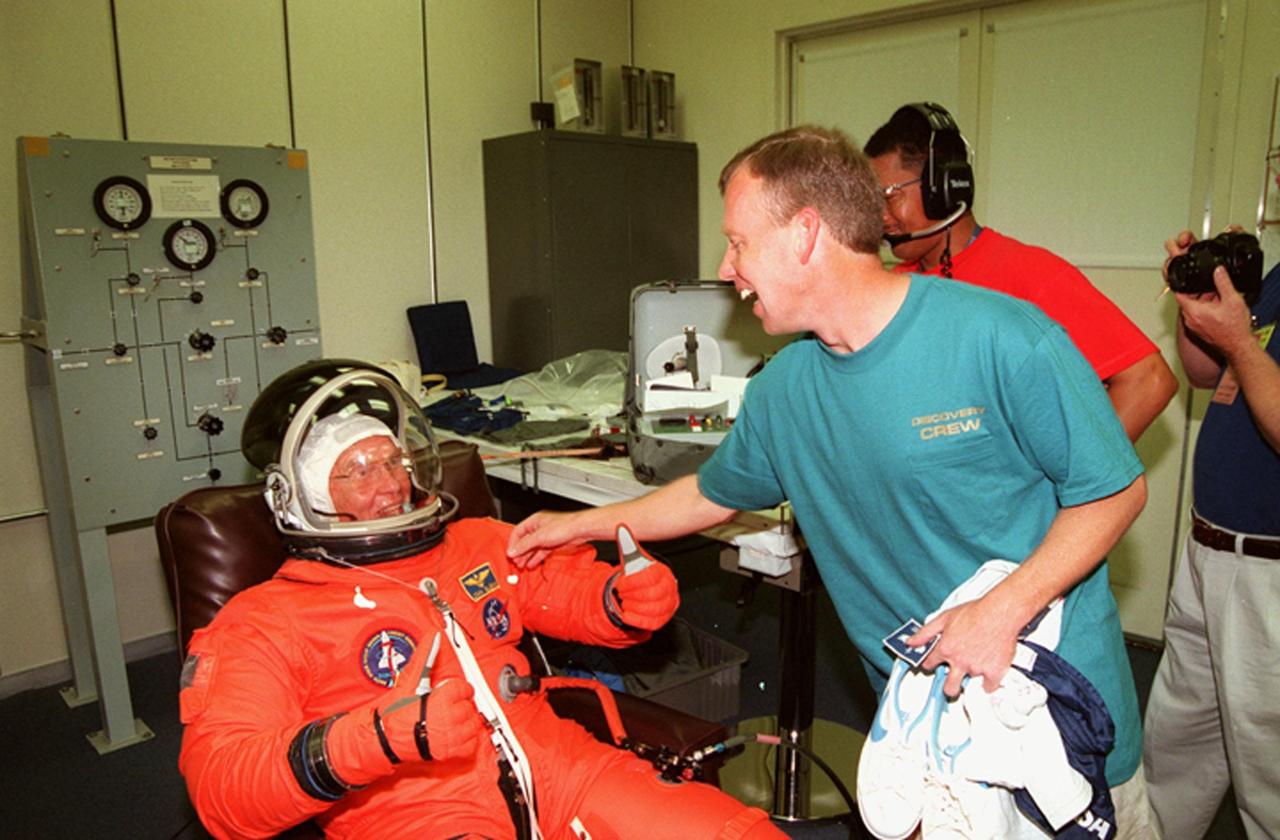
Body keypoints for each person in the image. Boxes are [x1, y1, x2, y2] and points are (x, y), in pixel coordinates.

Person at [508, 125, 1156, 836]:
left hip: (1058, 724)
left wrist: (999, 611)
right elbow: (708, 495)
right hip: (924, 735)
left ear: (805, 233)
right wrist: (579, 525)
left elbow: (1114, 491)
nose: (727, 269)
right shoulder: (783, 389)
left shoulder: (1001, 337)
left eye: (739, 243)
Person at [177, 362, 783, 839]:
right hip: (412, 811)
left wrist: (621, 600)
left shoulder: (476, 543)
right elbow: (221, 788)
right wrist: (375, 739)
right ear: (303, 497)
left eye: (394, 460)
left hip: (563, 769)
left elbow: (564, 590)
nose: (391, 483)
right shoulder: (263, 620)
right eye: (358, 471)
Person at [864, 102, 1177, 442]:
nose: (881, 217)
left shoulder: (1028, 273)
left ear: (943, 188)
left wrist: (1075, 475)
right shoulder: (890, 286)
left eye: (889, 197)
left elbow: (1149, 381)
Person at [1142, 231, 1280, 839]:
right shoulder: (1277, 278)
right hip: (1211, 551)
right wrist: (1194, 306)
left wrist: (1241, 343)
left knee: (1268, 773)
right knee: (1175, 747)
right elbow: (1207, 374)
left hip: (1268, 573)